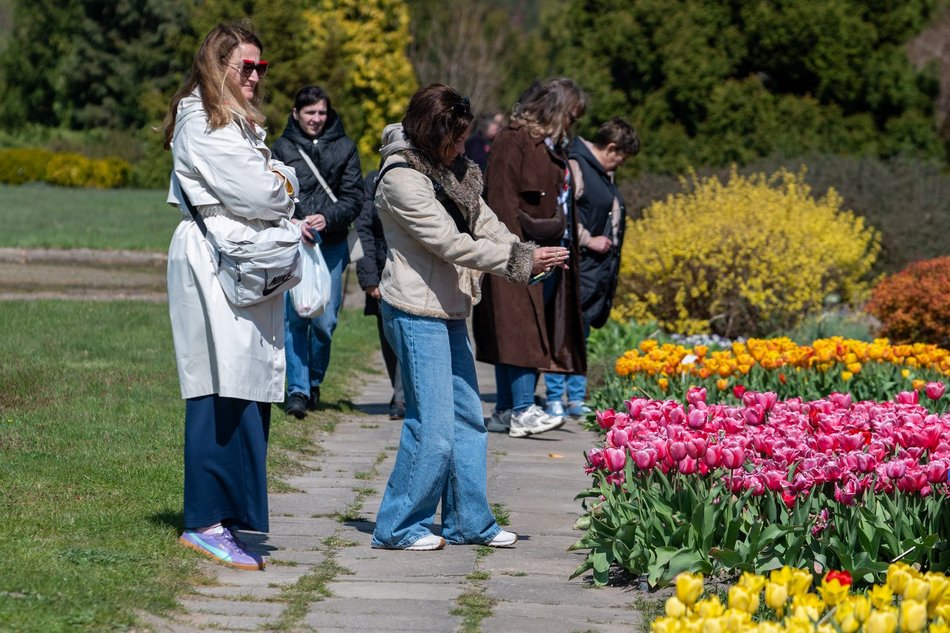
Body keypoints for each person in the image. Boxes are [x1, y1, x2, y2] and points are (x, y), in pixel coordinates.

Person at [370, 83, 570, 551]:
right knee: (434, 428)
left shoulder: (450, 168)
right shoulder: (401, 177)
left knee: (467, 421)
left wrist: (526, 253)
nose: (464, 148)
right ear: (429, 132)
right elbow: (449, 242)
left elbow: (484, 221)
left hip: (450, 308)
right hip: (415, 311)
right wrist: (518, 263)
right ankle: (397, 527)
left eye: (464, 139)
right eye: (455, 140)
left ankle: (468, 523)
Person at [164, 23, 300, 570]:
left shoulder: (233, 123)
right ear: (217, 65)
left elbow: (268, 183)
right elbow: (261, 190)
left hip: (239, 260)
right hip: (214, 260)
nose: (254, 76)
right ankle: (204, 520)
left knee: (245, 387)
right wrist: (281, 182)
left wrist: (276, 179)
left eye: (260, 68)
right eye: (245, 66)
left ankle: (228, 517)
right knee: (218, 388)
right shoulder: (201, 119)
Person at [472, 78, 588, 438]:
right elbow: (502, 202)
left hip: (546, 252)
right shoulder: (513, 140)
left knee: (526, 331)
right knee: (519, 331)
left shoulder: (551, 147)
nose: (572, 124)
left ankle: (507, 409)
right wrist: (517, 255)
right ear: (555, 110)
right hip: (519, 252)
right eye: (571, 115)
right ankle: (522, 410)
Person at [271, 85, 364, 418]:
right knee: (295, 316)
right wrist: (295, 221)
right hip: (295, 244)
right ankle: (297, 389)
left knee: (325, 320)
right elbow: (271, 196)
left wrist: (328, 217)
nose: (316, 119)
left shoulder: (346, 148)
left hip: (334, 245)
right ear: (296, 113)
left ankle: (313, 381)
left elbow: (355, 199)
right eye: (309, 112)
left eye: (321, 112)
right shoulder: (280, 148)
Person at [543, 118, 641, 418]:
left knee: (580, 335)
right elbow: (562, 214)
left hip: (594, 271)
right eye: (622, 156)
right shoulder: (577, 166)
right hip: (577, 266)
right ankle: (554, 397)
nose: (622, 162)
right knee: (562, 334)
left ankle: (574, 397)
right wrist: (589, 239)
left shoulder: (603, 174)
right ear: (611, 148)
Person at [355, 169, 405, 420]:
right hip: (380, 275)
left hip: (411, 276)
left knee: (407, 337)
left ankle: (402, 397)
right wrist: (369, 279)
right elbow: (362, 231)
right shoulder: (373, 182)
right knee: (389, 340)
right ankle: (400, 392)